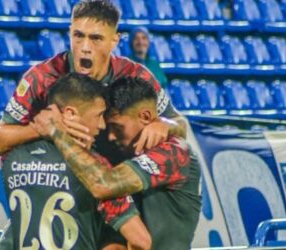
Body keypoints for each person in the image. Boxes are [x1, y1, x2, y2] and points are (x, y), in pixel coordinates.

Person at [0, 0, 186, 160]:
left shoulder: (136, 75)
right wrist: (41, 130)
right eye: (78, 36)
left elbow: (180, 123)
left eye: (96, 38)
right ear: (70, 33)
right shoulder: (41, 77)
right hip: (61, 179)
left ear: (114, 41)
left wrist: (165, 126)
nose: (85, 47)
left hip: (120, 176)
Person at [33, 77, 202, 250]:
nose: (111, 136)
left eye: (117, 127)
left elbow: (104, 185)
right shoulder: (126, 158)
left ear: (145, 116)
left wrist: (56, 131)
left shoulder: (175, 153)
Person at [1, 73, 151, 250]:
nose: (102, 125)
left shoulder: (14, 158)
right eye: (99, 115)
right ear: (70, 114)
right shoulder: (94, 170)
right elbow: (140, 241)